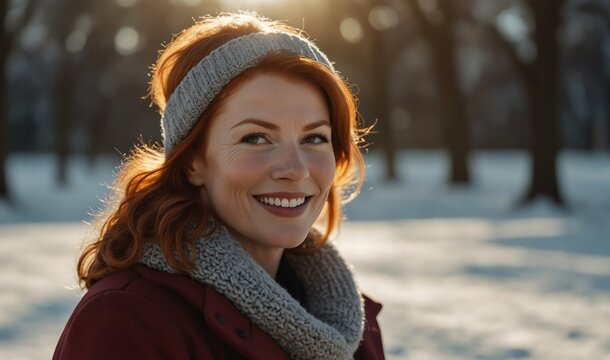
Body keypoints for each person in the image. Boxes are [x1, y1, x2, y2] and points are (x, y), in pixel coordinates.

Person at [54, 11, 384, 360]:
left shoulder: (348, 321)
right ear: (193, 161)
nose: (296, 169)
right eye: (256, 138)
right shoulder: (127, 320)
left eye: (315, 137)